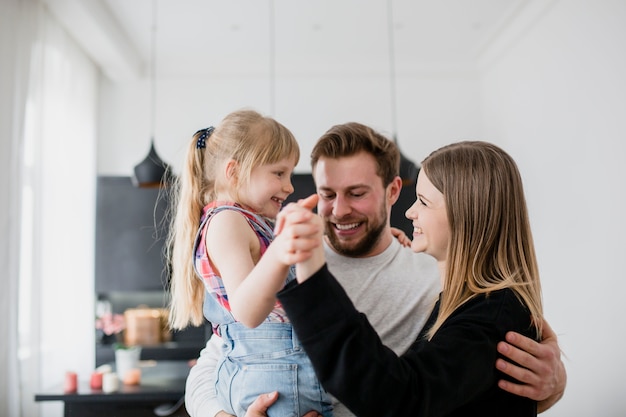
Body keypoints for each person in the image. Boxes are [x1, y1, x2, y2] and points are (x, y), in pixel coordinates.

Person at [185, 123, 566, 417]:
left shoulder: (437, 275)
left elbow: (434, 390)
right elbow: (214, 363)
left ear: (393, 191)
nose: (339, 210)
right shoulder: (282, 265)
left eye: (357, 193)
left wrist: (552, 386)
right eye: (328, 194)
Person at [273, 140, 550, 416]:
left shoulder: (491, 316)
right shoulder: (465, 306)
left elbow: (399, 398)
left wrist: (313, 280)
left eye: (424, 202)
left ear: (467, 214)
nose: (409, 212)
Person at [167, 109, 333, 417]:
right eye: (279, 173)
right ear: (234, 172)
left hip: (279, 371)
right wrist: (282, 250)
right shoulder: (228, 221)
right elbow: (248, 312)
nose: (289, 186)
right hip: (273, 375)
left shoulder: (245, 221)